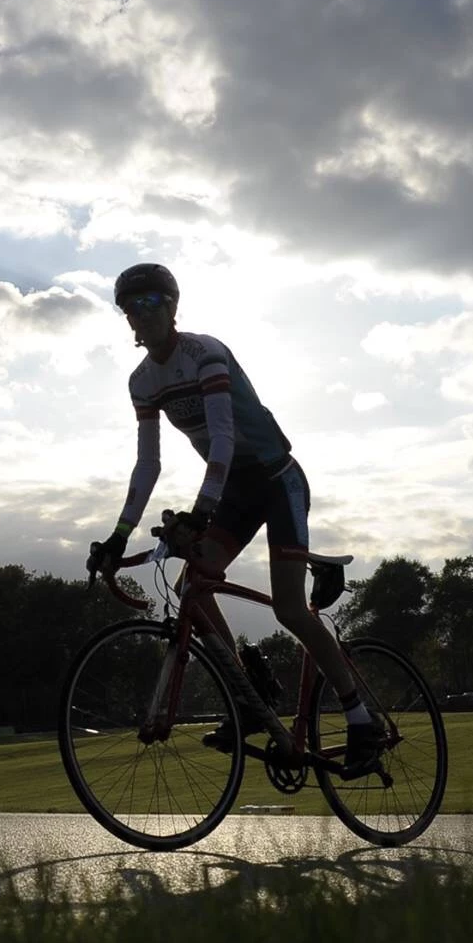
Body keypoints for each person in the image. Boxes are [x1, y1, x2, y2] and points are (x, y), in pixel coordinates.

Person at [85, 262, 382, 773]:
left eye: (152, 303)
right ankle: (249, 692)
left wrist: (201, 511)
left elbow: (222, 437)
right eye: (131, 308)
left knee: (290, 609)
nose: (142, 314)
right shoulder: (142, 381)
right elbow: (148, 464)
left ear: (172, 307)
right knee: (191, 582)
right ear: (126, 320)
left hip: (276, 479)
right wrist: (116, 536)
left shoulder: (205, 354)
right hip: (236, 491)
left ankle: (361, 718)